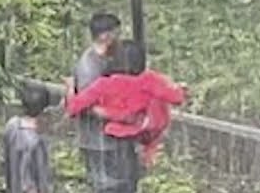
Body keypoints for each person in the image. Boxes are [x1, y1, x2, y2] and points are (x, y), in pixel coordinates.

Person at [64, 13, 138, 193]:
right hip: (99, 137)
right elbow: (87, 105)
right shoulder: (89, 66)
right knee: (112, 183)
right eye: (116, 32)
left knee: (129, 176)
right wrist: (118, 115)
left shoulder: (113, 57)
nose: (120, 37)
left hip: (117, 132)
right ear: (105, 35)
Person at [65, 39, 186, 168]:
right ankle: (148, 152)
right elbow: (177, 98)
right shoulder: (151, 79)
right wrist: (176, 87)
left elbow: (73, 107)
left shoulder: (105, 84)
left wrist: (70, 88)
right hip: (148, 130)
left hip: (117, 134)